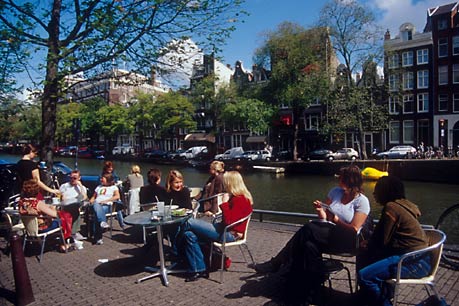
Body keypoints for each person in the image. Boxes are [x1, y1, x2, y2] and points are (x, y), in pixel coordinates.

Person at [253, 165, 370, 304]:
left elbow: (354, 229)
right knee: (308, 246)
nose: (338, 178)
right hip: (327, 233)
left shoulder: (362, 201)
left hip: (346, 239)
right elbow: (325, 217)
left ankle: (278, 264)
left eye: (341, 177)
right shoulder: (335, 192)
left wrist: (336, 219)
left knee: (309, 228)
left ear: (349, 180)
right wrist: (321, 211)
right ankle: (301, 296)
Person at [357, 176, 430, 306]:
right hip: (423, 258)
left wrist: (366, 244)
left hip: (411, 262)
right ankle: (370, 298)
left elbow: (381, 241)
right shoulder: (403, 205)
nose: (374, 194)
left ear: (386, 191)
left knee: (365, 276)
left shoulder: (391, 208)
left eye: (377, 190)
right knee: (368, 258)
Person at [180, 171, 253, 282]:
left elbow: (229, 221)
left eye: (225, 182)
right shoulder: (238, 197)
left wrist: (224, 204)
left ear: (230, 183)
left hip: (230, 234)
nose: (223, 185)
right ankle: (199, 269)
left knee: (188, 222)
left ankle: (177, 253)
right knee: (188, 235)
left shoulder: (240, 199)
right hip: (223, 229)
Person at [18, 179, 72, 252]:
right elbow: (55, 214)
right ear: (37, 191)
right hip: (41, 229)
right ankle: (63, 245)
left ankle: (53, 242)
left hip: (28, 229)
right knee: (62, 221)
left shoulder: (21, 203)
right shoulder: (37, 203)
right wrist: (53, 208)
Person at [89, 173, 124, 245]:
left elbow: (117, 196)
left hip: (107, 206)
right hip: (96, 205)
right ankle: (102, 222)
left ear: (108, 180)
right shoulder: (98, 187)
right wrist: (91, 201)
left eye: (103, 178)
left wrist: (106, 201)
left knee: (96, 214)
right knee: (96, 204)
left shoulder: (114, 187)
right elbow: (93, 197)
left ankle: (98, 238)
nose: (101, 180)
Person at [59, 170, 88, 241]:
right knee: (73, 207)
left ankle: (73, 232)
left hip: (76, 204)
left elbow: (84, 197)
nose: (72, 180)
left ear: (79, 178)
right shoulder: (65, 186)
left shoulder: (82, 188)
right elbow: (60, 196)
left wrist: (80, 186)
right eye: (71, 178)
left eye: (74, 178)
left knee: (79, 200)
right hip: (65, 204)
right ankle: (73, 233)